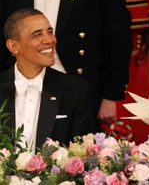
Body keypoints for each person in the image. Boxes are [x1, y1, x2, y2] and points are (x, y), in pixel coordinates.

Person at [0, 0, 132, 132]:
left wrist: (111, 94)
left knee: (75, 156)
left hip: (80, 85)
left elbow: (116, 30)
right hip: (17, 82)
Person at [0, 8, 92, 152]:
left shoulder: (75, 91)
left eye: (50, 32)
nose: (50, 40)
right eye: (37, 35)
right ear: (13, 46)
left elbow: (83, 153)